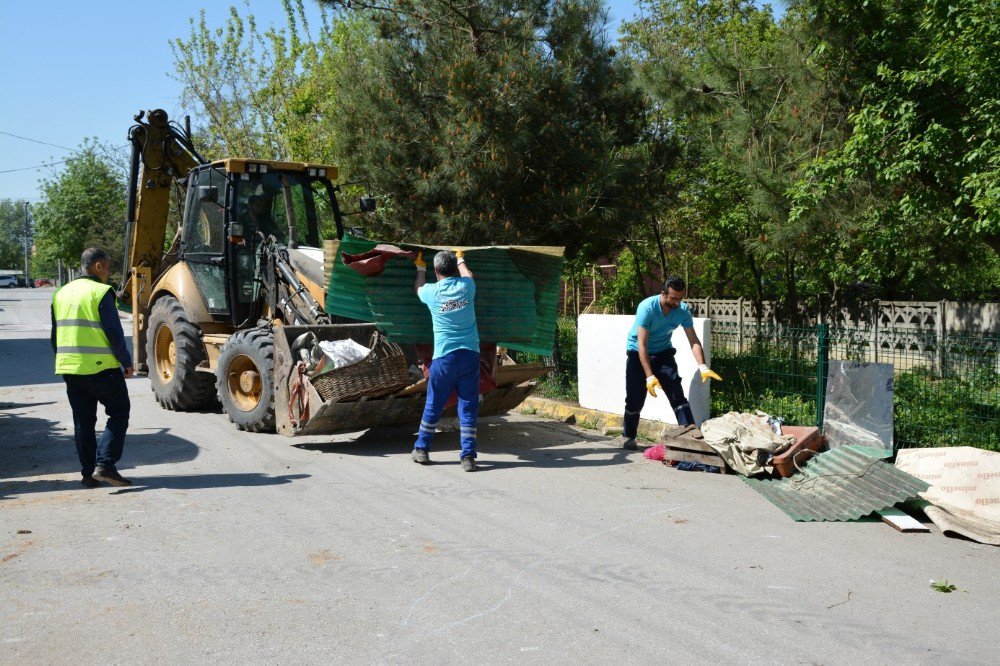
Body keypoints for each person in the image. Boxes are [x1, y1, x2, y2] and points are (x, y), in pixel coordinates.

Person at [51, 248, 134, 487]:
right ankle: (105, 465)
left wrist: (64, 361)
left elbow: (55, 336)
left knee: (83, 422)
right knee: (118, 413)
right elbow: (113, 333)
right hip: (102, 370)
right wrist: (126, 362)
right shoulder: (100, 291)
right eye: (107, 267)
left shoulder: (61, 293)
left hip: (71, 369)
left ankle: (88, 474)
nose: (108, 273)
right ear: (98, 266)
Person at [620, 276, 722, 450]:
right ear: (663, 294)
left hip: (663, 354)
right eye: (673, 298)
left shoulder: (682, 310)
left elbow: (694, 340)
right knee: (634, 399)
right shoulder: (647, 307)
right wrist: (649, 376)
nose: (677, 302)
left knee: (676, 394)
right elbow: (642, 344)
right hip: (638, 354)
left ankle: (691, 439)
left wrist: (703, 366)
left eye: (680, 298)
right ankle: (629, 436)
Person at [411, 249, 481, 471]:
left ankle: (422, 449)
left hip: (444, 358)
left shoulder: (432, 293)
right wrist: (461, 258)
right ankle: (468, 457)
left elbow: (418, 288)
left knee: (434, 404)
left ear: (436, 270)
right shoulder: (466, 287)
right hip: (470, 355)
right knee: (468, 407)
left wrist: (420, 269)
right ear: (454, 269)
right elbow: (468, 275)